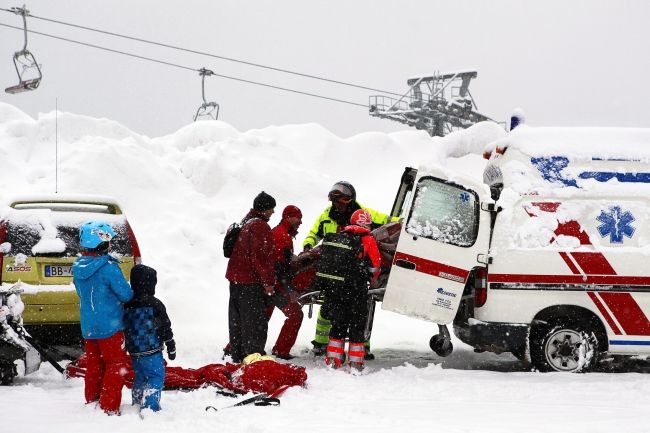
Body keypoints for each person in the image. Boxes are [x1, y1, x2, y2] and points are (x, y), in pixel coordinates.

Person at [303, 181, 397, 357]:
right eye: (335, 200)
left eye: (342, 200)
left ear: (350, 200)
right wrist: (308, 245)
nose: (337, 204)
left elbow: (389, 222)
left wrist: (406, 224)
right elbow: (314, 234)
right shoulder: (326, 216)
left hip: (354, 274)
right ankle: (322, 343)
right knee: (330, 308)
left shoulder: (363, 214)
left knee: (361, 311)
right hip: (335, 271)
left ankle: (361, 346)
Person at [72, 221, 133, 415]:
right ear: (102, 243)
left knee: (94, 364)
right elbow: (126, 295)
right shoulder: (109, 268)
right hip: (110, 326)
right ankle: (109, 406)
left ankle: (92, 400)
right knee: (115, 364)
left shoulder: (78, 267)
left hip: (89, 326)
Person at [320, 209, 381, 370]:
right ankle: (355, 363)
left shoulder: (341, 235)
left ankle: (333, 360)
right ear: (366, 223)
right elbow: (376, 266)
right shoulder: (368, 239)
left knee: (338, 323)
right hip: (356, 288)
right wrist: (372, 280)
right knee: (357, 325)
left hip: (337, 288)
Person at [225, 191, 277, 363]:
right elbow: (261, 258)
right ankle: (254, 356)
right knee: (254, 321)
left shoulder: (246, 221)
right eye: (271, 208)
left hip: (235, 279)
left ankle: (238, 353)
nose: (273, 212)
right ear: (264, 209)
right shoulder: (260, 226)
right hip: (250, 281)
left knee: (237, 319)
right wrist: (268, 282)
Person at [124, 264, 176, 412]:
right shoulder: (155, 304)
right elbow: (164, 327)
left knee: (140, 376)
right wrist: (171, 344)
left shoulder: (127, 304)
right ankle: (150, 406)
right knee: (155, 376)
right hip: (152, 349)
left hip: (134, 350)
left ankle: (136, 401)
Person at [267, 205, 304, 360]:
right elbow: (281, 268)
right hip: (275, 286)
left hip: (268, 284)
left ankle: (235, 347)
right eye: (298, 218)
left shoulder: (278, 232)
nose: (300, 222)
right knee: (296, 315)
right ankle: (281, 351)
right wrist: (291, 290)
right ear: (288, 217)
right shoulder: (283, 236)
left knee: (259, 318)